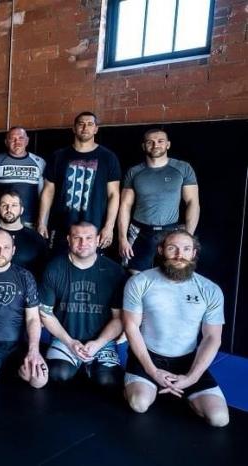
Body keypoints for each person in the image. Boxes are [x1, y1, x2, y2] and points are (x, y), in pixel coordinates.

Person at [123, 230, 229, 427]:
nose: (180, 255)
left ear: (194, 253)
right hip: (148, 356)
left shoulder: (210, 289)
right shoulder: (140, 282)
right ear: (161, 250)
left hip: (188, 361)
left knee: (219, 419)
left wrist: (192, 378)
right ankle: (149, 385)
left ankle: (182, 390)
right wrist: (153, 372)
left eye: (186, 249)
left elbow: (212, 337)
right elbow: (131, 327)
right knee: (139, 403)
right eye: (172, 248)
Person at [39, 222, 127, 387]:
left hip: (101, 341)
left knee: (108, 380)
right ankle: (77, 363)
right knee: (58, 373)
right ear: (68, 240)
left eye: (88, 238)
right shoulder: (54, 268)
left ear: (98, 240)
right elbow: (46, 313)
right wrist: (69, 342)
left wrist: (99, 343)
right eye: (77, 238)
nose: (83, 243)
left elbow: (119, 318)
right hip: (66, 338)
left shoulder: (114, 271)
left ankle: (89, 366)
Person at [0, 230, 47, 388]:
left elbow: (33, 318)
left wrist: (34, 350)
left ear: (13, 250)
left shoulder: (25, 277)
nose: (0, 252)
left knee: (39, 380)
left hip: (20, 344)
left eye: (6, 247)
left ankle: (15, 370)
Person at [37, 112, 121, 252]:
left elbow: (114, 195)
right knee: (58, 261)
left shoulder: (108, 157)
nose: (85, 128)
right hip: (61, 227)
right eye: (81, 124)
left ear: (96, 129)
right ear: (74, 128)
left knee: (90, 263)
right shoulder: (58, 156)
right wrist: (41, 223)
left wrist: (109, 227)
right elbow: (48, 192)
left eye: (90, 124)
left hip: (94, 228)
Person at [118, 129, 199, 272]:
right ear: (144, 146)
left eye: (160, 141)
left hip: (171, 231)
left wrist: (188, 236)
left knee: (172, 273)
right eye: (150, 142)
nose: (156, 145)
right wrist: (122, 239)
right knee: (135, 276)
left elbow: (192, 202)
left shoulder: (183, 168)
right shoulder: (134, 171)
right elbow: (125, 205)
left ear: (168, 144)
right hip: (139, 231)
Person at [0, 189, 48, 277]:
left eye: (14, 205)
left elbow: (42, 272)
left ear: (21, 210)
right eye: (4, 205)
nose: (9, 209)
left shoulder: (36, 239)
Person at [0, 126, 46, 227]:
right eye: (12, 139)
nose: (17, 142)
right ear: (6, 142)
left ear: (27, 141)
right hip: (1, 221)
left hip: (30, 223)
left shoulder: (39, 162)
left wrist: (42, 223)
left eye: (21, 138)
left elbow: (43, 196)